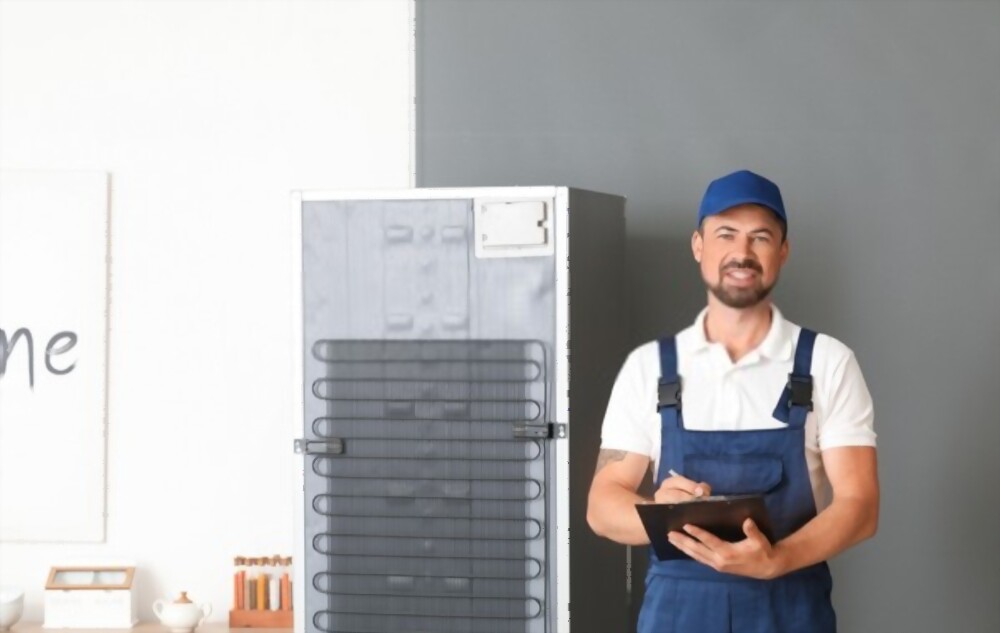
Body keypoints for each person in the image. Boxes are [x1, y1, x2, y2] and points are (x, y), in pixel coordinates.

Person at [587, 170, 879, 633]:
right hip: (676, 616)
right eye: (726, 234)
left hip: (790, 610)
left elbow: (860, 505)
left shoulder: (828, 362)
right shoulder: (650, 368)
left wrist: (778, 558)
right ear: (698, 245)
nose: (742, 252)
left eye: (760, 237)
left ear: (783, 251)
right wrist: (662, 515)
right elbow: (602, 507)